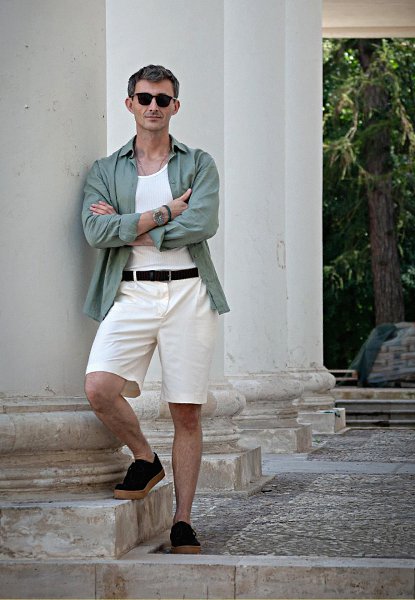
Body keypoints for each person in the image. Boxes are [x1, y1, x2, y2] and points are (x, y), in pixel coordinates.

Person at [81, 64, 229, 554]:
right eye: (144, 98)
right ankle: (146, 457)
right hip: (130, 292)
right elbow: (95, 231)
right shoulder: (106, 170)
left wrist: (128, 227)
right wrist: (164, 213)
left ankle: (182, 521)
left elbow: (202, 223)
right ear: (130, 104)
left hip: (189, 293)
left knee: (185, 411)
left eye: (162, 99)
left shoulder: (198, 163)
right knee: (99, 387)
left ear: (174, 107)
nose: (153, 106)